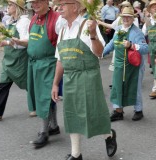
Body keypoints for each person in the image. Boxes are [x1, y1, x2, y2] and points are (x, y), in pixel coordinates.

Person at [51, 0, 117, 159]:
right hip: (70, 78)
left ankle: (108, 135)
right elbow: (60, 60)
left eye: (63, 4)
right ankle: (76, 154)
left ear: (74, 6)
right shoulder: (62, 31)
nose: (59, 8)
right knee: (71, 114)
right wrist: (55, 83)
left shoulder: (88, 25)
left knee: (94, 112)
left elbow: (100, 53)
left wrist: (93, 35)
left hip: (88, 75)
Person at [0, 0, 31, 121]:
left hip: (19, 59)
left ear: (17, 7)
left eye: (10, 5)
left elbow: (25, 42)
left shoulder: (24, 21)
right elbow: (5, 37)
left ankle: (39, 105)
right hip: (8, 59)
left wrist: (7, 43)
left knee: (28, 85)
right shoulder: (9, 20)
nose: (7, 7)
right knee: (3, 84)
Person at [26, 0, 63, 148]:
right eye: (32, 3)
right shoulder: (34, 19)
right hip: (35, 64)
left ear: (46, 2)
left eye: (37, 2)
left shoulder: (56, 19)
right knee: (46, 97)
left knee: (44, 98)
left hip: (49, 64)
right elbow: (30, 41)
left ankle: (44, 132)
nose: (34, 5)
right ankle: (53, 126)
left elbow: (62, 44)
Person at [103, 7, 148, 122]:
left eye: (128, 17)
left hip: (133, 66)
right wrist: (101, 53)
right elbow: (112, 44)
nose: (126, 19)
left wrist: (132, 45)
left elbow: (145, 48)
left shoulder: (137, 32)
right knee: (117, 87)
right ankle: (118, 111)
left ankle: (138, 110)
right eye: (124, 17)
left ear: (133, 19)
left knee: (134, 87)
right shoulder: (118, 29)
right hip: (119, 64)